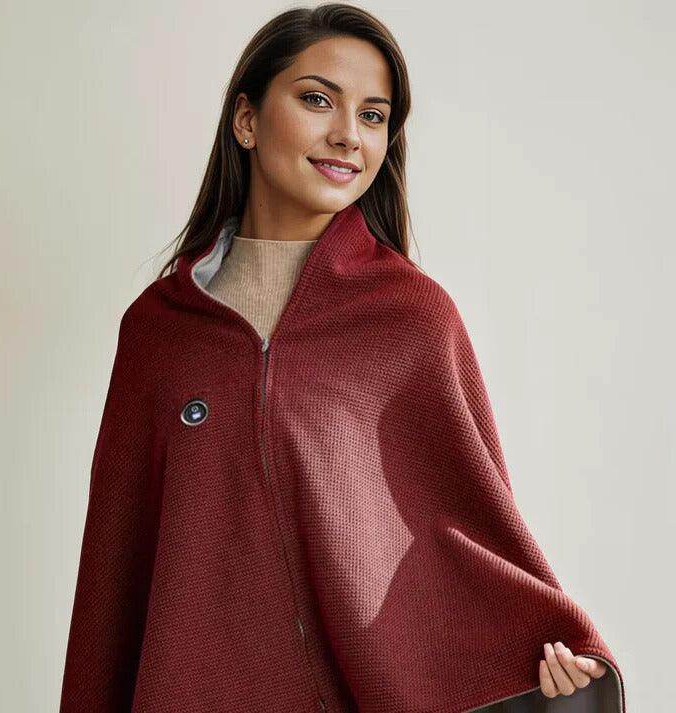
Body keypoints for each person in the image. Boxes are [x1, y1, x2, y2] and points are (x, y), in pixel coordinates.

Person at [59, 4, 625, 712]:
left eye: (373, 115)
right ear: (246, 119)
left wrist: (547, 656)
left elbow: (471, 534)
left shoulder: (413, 320)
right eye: (317, 99)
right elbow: (114, 578)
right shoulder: (158, 331)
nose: (347, 135)